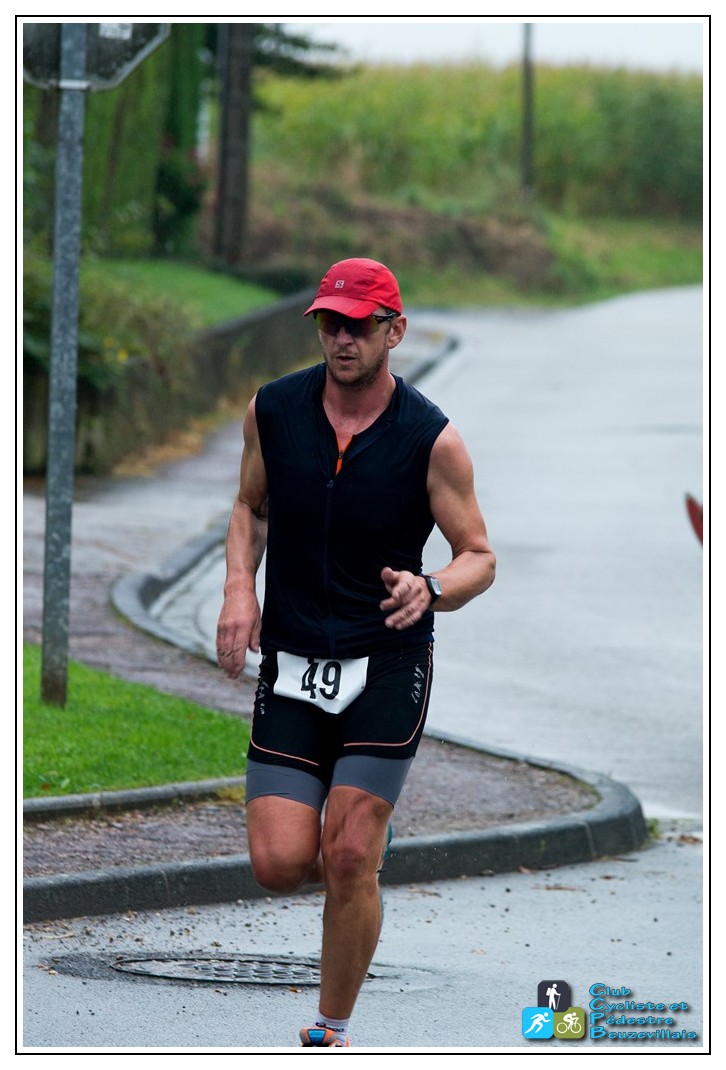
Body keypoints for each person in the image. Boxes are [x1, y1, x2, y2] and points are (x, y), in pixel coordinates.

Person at [216, 257, 495, 1047]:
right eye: (330, 323)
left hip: (388, 663)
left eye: (360, 326)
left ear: (394, 332)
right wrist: (239, 590)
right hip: (294, 661)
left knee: (344, 853)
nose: (342, 338)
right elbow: (249, 506)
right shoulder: (274, 410)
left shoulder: (431, 439)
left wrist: (431, 588)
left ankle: (330, 1029)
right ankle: (365, 856)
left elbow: (479, 556)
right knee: (278, 863)